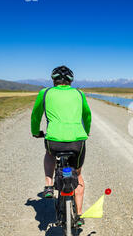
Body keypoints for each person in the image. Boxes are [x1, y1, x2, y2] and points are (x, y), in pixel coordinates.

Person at [31, 65, 92, 226]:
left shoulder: (45, 93)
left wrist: (35, 132)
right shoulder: (79, 93)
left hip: (54, 141)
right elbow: (87, 114)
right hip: (77, 142)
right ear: (71, 81)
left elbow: (36, 115)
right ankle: (78, 215)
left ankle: (49, 185)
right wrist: (87, 130)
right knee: (78, 177)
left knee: (50, 154)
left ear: (53, 80)